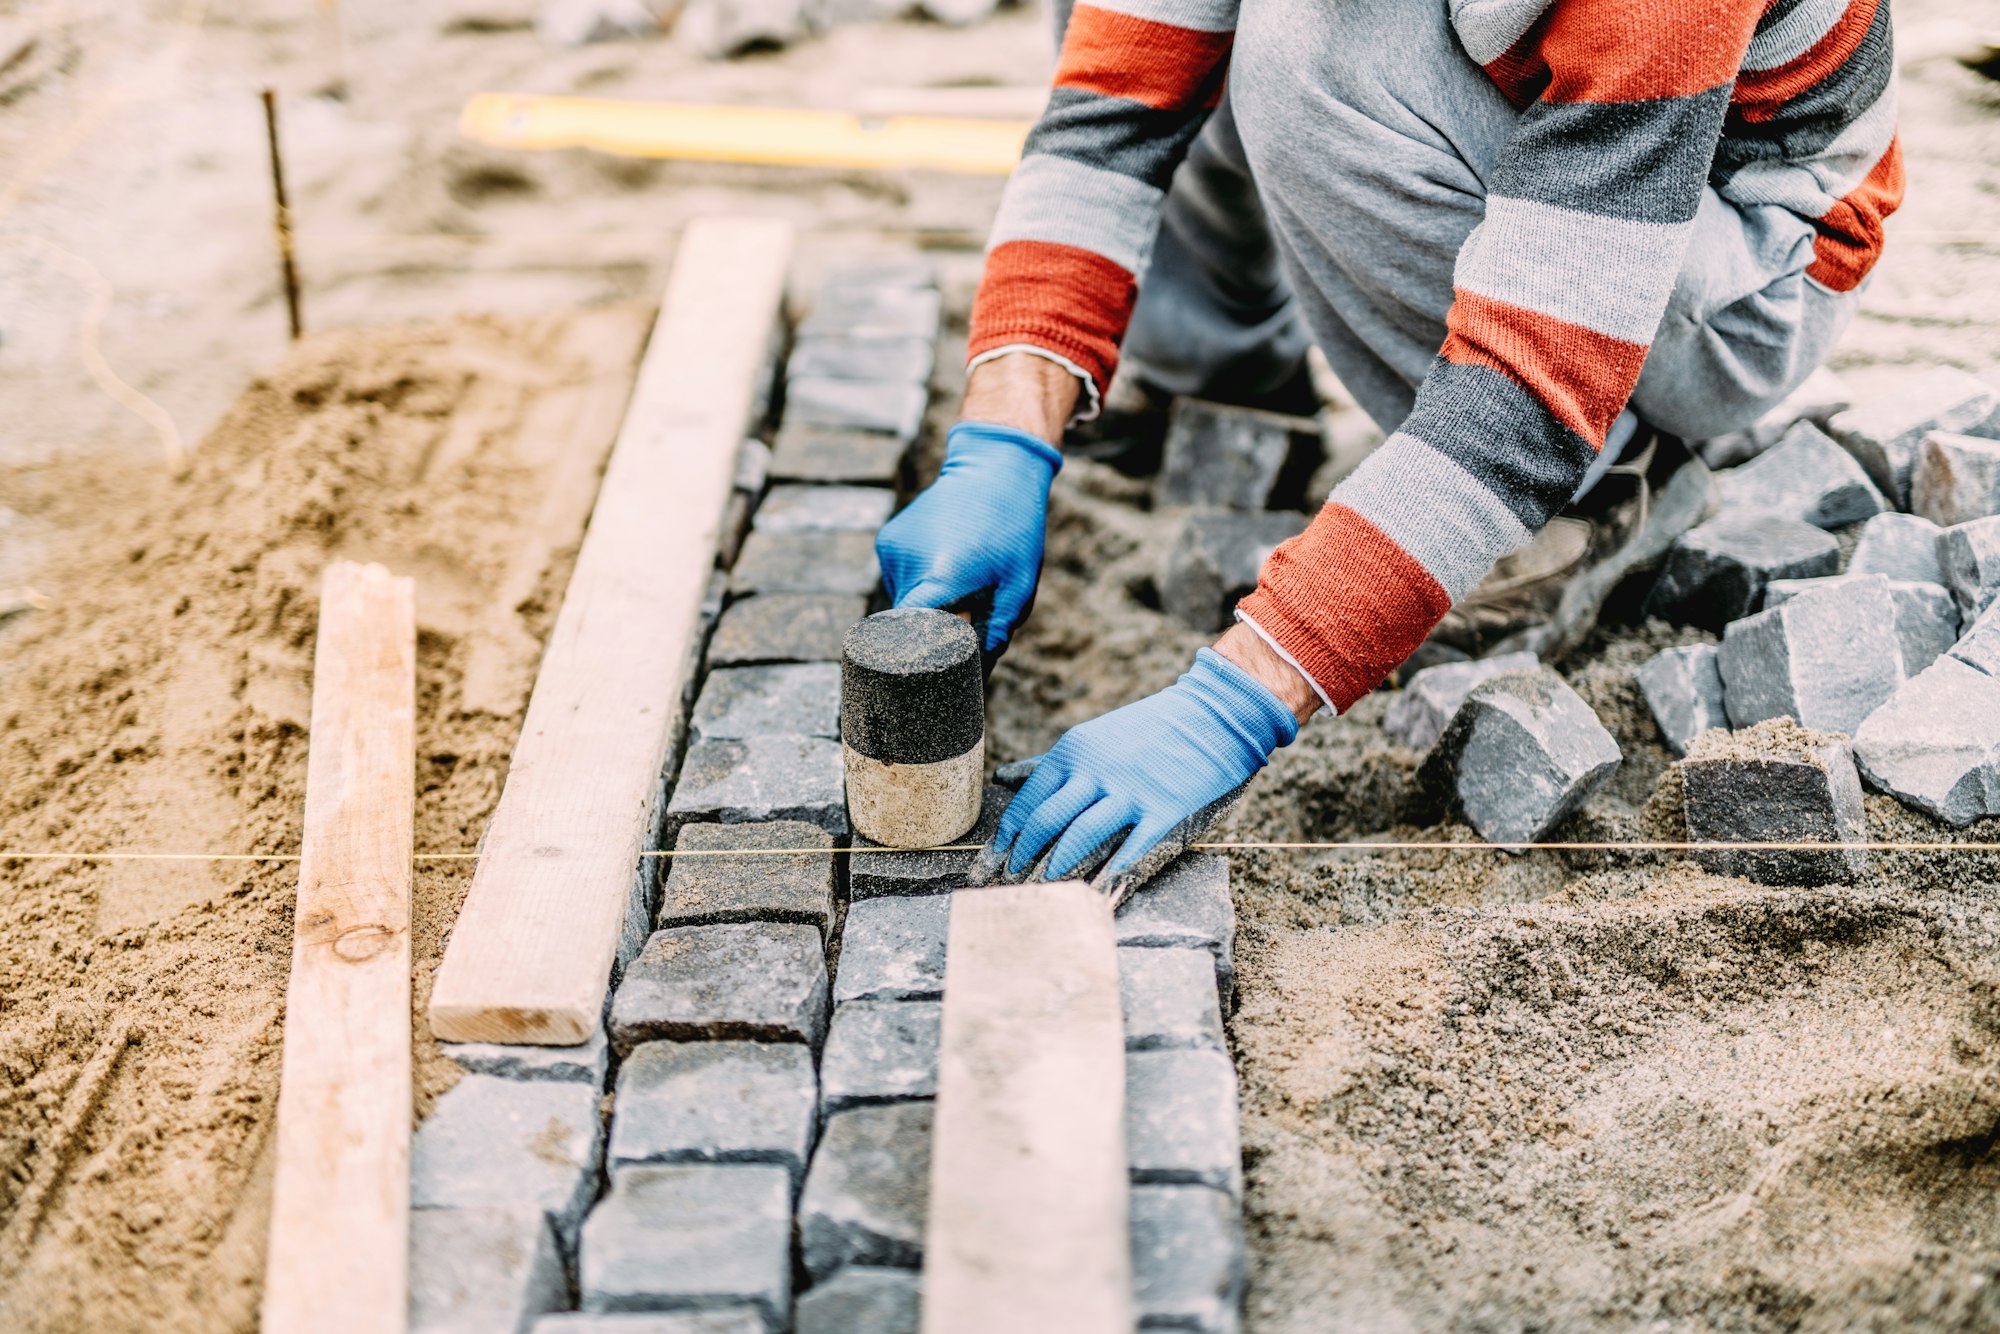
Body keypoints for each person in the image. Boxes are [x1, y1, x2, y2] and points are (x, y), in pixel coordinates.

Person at [875, 0, 1903, 882]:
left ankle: (1598, 485)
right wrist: (1004, 432)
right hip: (1558, 125)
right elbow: (1113, 103)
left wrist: (1238, 698)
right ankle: (1227, 370)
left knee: (1306, 53)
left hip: (1741, 258)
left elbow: (1533, 373)